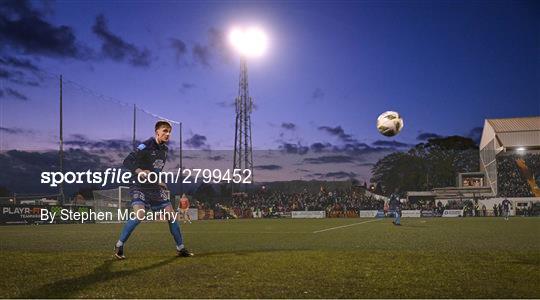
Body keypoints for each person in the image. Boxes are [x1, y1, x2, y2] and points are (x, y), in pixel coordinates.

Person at [114, 120, 193, 259]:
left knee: (171, 215)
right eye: (164, 131)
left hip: (154, 187)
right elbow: (127, 161)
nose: (167, 134)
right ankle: (119, 245)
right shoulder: (145, 145)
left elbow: (155, 169)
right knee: (140, 215)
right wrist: (140, 171)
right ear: (157, 132)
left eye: (169, 132)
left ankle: (180, 248)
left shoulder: (164, 150)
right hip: (138, 185)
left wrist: (158, 180)